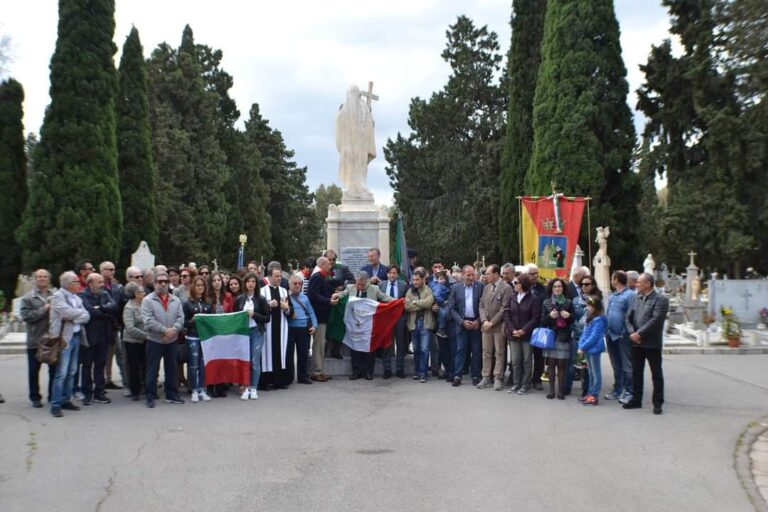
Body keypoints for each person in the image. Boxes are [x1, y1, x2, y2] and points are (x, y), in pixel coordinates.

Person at [624, 273, 669, 415]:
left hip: (651, 343)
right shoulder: (636, 298)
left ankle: (658, 403)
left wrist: (639, 334)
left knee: (656, 373)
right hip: (636, 343)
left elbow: (656, 320)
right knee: (636, 372)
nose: (636, 284)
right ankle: (636, 400)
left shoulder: (660, 299)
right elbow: (628, 318)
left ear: (648, 283)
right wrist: (632, 333)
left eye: (639, 282)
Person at [334, 271, 393, 380]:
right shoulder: (351, 287)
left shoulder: (374, 289)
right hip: (354, 324)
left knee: (369, 348)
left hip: (368, 324)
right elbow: (342, 294)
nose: (359, 286)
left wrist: (397, 301)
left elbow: (385, 298)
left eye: (362, 284)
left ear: (367, 282)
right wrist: (336, 295)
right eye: (358, 284)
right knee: (355, 348)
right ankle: (356, 371)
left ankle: (368, 372)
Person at [141, 272, 186, 408]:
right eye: (159, 281)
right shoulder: (147, 300)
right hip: (154, 340)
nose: (163, 284)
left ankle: (171, 394)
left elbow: (181, 318)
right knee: (152, 369)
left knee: (171, 368)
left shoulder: (175, 300)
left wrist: (173, 330)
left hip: (172, 340)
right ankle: (150, 396)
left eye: (165, 281)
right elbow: (148, 321)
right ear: (154, 283)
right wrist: (164, 330)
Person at [49, 271, 90, 418]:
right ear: (68, 284)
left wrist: (75, 316)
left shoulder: (76, 297)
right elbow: (67, 313)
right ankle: (56, 404)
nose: (79, 284)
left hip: (77, 337)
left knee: (72, 371)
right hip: (64, 338)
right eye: (76, 282)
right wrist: (77, 315)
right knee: (61, 372)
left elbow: (87, 316)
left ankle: (66, 400)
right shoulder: (58, 296)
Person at [79, 272, 118, 405]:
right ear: (90, 283)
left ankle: (99, 393)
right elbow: (89, 311)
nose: (102, 284)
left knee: (100, 365)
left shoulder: (105, 293)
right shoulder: (83, 295)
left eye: (102, 282)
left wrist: (101, 308)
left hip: (104, 335)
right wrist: (104, 311)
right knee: (87, 366)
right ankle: (87, 393)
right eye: (99, 282)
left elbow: (114, 306)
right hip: (89, 336)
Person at [20, 269, 56, 408]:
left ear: (49, 279)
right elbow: (26, 316)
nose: (42, 279)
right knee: (34, 370)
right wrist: (44, 309)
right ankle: (35, 397)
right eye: (39, 277)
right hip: (35, 340)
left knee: (54, 369)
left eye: (45, 276)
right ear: (35, 279)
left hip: (53, 339)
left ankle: (53, 395)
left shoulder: (55, 295)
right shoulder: (28, 298)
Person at [233, 273, 271, 399]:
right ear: (245, 283)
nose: (251, 284)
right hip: (243, 333)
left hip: (256, 332)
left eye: (253, 281)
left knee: (255, 361)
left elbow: (267, 318)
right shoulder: (239, 299)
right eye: (248, 281)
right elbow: (235, 317)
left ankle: (254, 387)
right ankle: (246, 387)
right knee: (245, 361)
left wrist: (253, 314)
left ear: (256, 284)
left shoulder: (261, 299)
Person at [503, 273, 541, 395]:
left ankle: (526, 384)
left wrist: (524, 330)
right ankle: (516, 383)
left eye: (516, 283)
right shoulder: (512, 297)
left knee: (527, 360)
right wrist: (512, 329)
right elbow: (507, 314)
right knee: (515, 360)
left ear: (523, 284)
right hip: (513, 334)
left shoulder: (533, 298)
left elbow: (535, 317)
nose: (514, 285)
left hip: (526, 334)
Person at [478, 264, 514, 391]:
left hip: (498, 326)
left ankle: (498, 377)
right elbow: (481, 305)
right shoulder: (486, 287)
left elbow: (505, 308)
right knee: (486, 353)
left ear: (496, 274)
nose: (486, 276)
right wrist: (484, 320)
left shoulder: (506, 288)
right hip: (486, 326)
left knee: (499, 352)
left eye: (488, 273)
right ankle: (486, 376)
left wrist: (492, 322)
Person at [336, 84, 376, 199]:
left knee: (360, 166)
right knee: (350, 166)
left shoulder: (364, 109)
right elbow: (339, 122)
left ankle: (361, 186)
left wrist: (370, 117)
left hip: (360, 145)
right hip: (348, 145)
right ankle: (351, 188)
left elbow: (370, 124)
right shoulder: (344, 107)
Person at [448, 265, 484, 387]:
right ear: (463, 275)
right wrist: (462, 322)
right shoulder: (456, 288)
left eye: (473, 274)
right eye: (468, 275)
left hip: (476, 323)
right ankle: (457, 375)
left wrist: (478, 321)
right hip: (461, 323)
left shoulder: (480, 286)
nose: (471, 277)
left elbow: (483, 306)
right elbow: (452, 308)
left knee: (476, 350)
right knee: (460, 350)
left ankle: (475, 375)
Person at [566, 275, 602, 395]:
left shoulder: (596, 300)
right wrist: (575, 329)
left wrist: (583, 333)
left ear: (593, 285)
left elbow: (595, 319)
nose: (584, 286)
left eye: (587, 284)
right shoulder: (576, 300)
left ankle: (587, 390)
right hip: (576, 336)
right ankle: (567, 387)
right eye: (582, 284)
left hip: (588, 337)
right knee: (572, 362)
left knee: (588, 368)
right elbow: (573, 317)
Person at [260, 267, 294, 389]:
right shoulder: (262, 292)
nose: (279, 278)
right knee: (267, 353)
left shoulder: (284, 291)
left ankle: (280, 381)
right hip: (267, 327)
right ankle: (266, 382)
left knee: (280, 352)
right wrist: (268, 305)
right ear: (269, 277)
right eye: (276, 276)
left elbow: (291, 311)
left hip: (281, 327)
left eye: (280, 276)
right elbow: (258, 310)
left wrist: (286, 308)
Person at [540, 278, 574, 400]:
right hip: (551, 336)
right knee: (551, 363)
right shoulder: (546, 302)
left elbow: (573, 320)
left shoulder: (569, 302)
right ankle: (551, 391)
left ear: (563, 288)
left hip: (563, 336)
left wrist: (569, 316)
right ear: (551, 288)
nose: (557, 288)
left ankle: (560, 391)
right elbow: (542, 321)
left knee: (561, 364)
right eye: (555, 286)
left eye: (559, 286)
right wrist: (550, 316)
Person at [605, 270, 635, 403]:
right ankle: (617, 389)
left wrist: (626, 332)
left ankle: (629, 392)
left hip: (623, 336)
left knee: (626, 365)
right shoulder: (613, 295)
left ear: (616, 279)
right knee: (616, 365)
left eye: (612, 278)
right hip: (610, 334)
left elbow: (632, 316)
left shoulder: (630, 295)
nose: (611, 281)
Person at [308, 256, 338, 382]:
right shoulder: (317, 277)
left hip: (323, 316)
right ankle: (316, 371)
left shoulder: (322, 277)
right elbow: (313, 295)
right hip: (318, 316)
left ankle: (319, 369)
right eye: (328, 264)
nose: (330, 266)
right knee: (319, 345)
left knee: (321, 344)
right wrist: (328, 301)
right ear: (321, 265)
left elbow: (324, 291)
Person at [183, 276, 213, 403]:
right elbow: (183, 323)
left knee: (203, 364)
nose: (200, 287)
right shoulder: (187, 303)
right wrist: (192, 321)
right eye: (197, 285)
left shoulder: (208, 302)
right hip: (192, 336)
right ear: (193, 287)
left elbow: (212, 320)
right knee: (193, 364)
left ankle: (202, 389)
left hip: (205, 337)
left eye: (202, 285)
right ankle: (194, 390)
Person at [404, 269, 434, 382]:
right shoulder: (410, 291)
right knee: (416, 349)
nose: (415, 282)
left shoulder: (428, 290)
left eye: (417, 280)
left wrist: (415, 302)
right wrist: (421, 304)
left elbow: (429, 303)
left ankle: (423, 373)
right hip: (414, 323)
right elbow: (407, 306)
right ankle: (417, 372)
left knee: (425, 349)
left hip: (425, 323)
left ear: (423, 280)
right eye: (413, 280)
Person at [100, 261, 125, 393]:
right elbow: (101, 307)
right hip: (102, 325)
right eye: (109, 269)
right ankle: (103, 380)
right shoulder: (98, 285)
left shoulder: (115, 286)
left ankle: (109, 379)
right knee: (102, 356)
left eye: (113, 269)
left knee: (115, 353)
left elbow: (118, 305)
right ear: (102, 270)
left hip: (114, 325)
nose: (112, 271)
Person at [287, 274, 318, 385]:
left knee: (303, 354)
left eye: (300, 283)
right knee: (288, 354)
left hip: (304, 329)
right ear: (289, 284)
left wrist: (314, 325)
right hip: (290, 328)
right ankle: (288, 377)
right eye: (295, 283)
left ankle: (303, 376)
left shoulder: (305, 297)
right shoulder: (285, 297)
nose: (297, 285)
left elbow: (311, 312)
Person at [379, 265, 408, 378]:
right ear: (387, 274)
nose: (392, 275)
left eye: (394, 273)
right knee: (387, 344)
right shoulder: (381, 285)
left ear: (397, 274)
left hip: (399, 318)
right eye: (390, 273)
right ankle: (387, 370)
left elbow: (406, 301)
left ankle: (400, 369)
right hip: (385, 319)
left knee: (400, 344)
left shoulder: (403, 285)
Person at [577, 295, 607, 406]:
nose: (587, 308)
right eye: (587, 305)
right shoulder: (591, 318)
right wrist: (580, 345)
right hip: (588, 349)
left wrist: (582, 347)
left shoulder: (598, 319)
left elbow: (594, 337)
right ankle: (590, 393)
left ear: (596, 307)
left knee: (595, 373)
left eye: (590, 306)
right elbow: (585, 334)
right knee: (590, 373)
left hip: (593, 349)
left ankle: (594, 396)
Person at [122, 281, 148, 401]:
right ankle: (135, 391)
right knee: (134, 366)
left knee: (146, 365)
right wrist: (146, 336)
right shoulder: (129, 307)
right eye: (141, 291)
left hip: (145, 340)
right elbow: (130, 328)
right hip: (132, 341)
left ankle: (147, 389)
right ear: (135, 294)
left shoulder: (145, 304)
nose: (144, 293)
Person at [526, 263, 546, 390]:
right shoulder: (521, 287)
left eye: (536, 273)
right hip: (525, 326)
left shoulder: (542, 288)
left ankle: (537, 379)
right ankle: (525, 379)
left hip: (539, 326)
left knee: (539, 355)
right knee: (525, 355)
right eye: (532, 274)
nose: (535, 276)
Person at [428, 270, 450, 339]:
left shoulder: (443, 286)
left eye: (444, 279)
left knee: (444, 314)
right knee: (443, 314)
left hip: (441, 304)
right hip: (438, 304)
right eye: (440, 279)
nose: (442, 280)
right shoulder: (439, 286)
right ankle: (441, 329)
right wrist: (443, 302)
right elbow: (436, 295)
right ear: (437, 280)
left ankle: (442, 329)